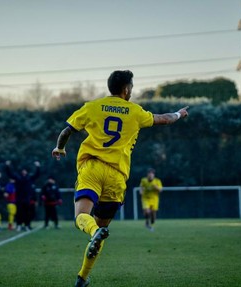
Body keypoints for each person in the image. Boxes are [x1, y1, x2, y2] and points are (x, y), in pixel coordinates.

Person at [51, 70, 189, 287]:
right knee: (102, 226)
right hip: (116, 177)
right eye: (132, 87)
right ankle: (83, 277)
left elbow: (67, 131)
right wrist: (180, 113)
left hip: (92, 168)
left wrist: (60, 148)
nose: (132, 90)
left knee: (82, 218)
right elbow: (165, 119)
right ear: (126, 89)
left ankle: (94, 234)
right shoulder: (135, 111)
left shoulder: (92, 107)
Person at [5, 160, 40, 231]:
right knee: (19, 213)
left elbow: (37, 175)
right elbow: (10, 174)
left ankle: (27, 225)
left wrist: (38, 166)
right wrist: (7, 166)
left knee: (27, 212)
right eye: (23, 170)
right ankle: (19, 225)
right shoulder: (18, 178)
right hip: (19, 198)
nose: (24, 172)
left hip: (27, 199)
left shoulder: (29, 178)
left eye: (25, 170)